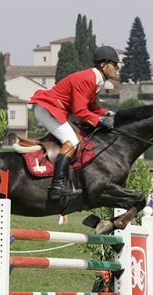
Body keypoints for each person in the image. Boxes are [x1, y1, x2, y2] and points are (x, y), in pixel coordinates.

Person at [28, 45, 121, 199]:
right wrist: (101, 120)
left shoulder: (96, 80)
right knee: (71, 141)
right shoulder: (88, 78)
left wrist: (111, 114)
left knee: (80, 138)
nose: (117, 68)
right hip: (48, 110)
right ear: (103, 65)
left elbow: (91, 107)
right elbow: (80, 112)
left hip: (56, 110)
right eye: (115, 64)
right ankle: (56, 187)